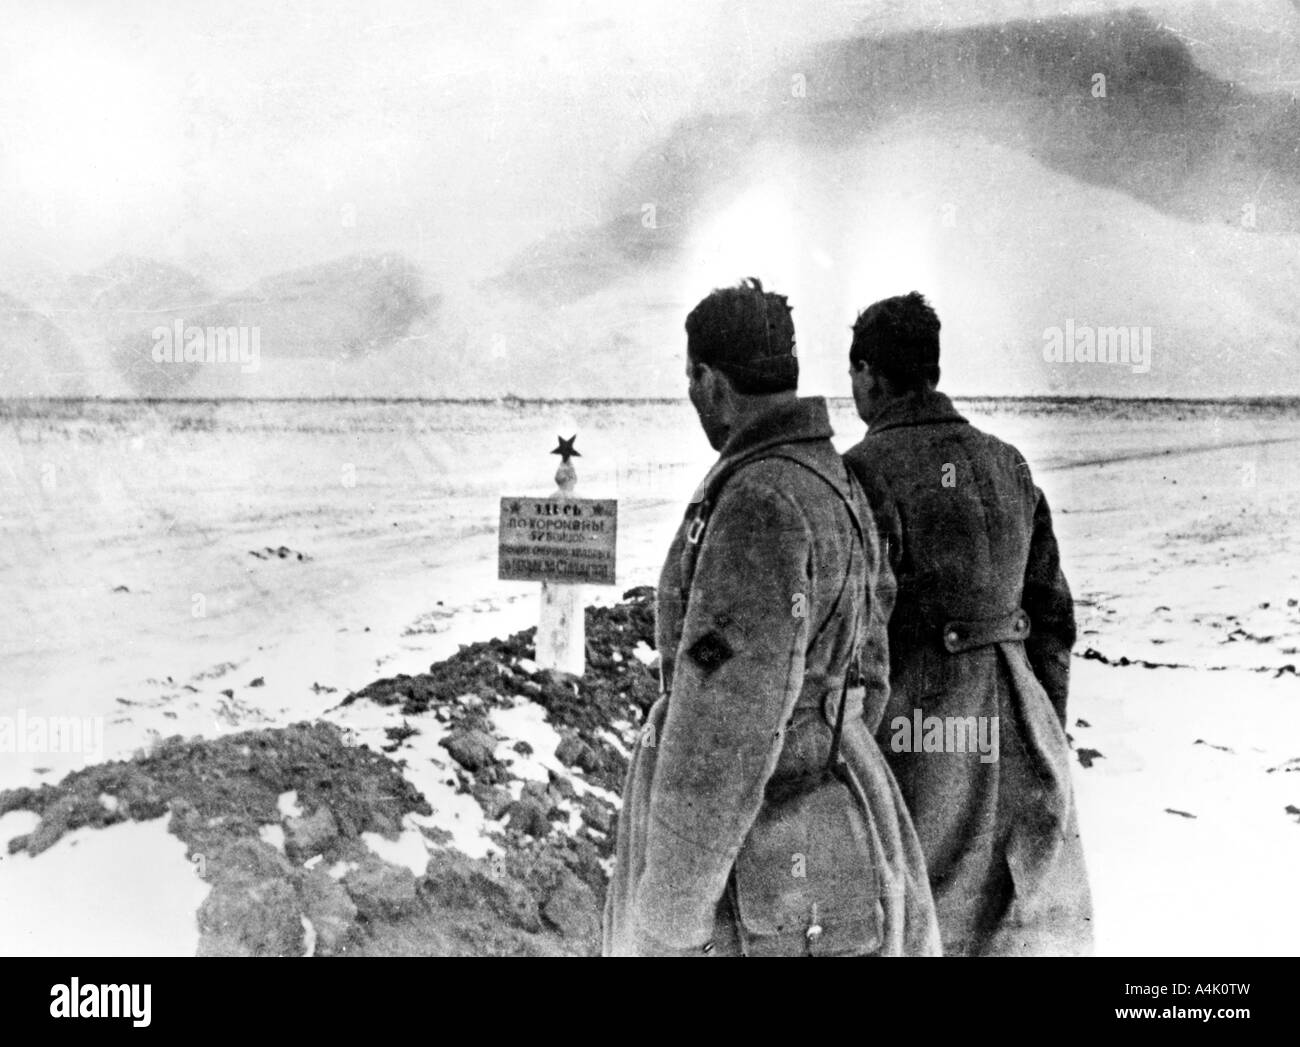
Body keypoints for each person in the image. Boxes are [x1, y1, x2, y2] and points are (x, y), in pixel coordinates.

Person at [603, 278, 940, 957]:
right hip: (843, 820)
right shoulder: (834, 479)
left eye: (691, 376)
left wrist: (670, 917)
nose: (692, 394)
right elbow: (870, 671)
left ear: (713, 382)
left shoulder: (759, 501)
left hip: (754, 856)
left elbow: (721, 728)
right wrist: (827, 748)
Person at [842, 291, 1093, 956]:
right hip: (1022, 726)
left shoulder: (863, 473)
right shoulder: (1009, 462)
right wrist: (1045, 727)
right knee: (1020, 922)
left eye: (856, 375)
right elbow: (1054, 621)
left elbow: (857, 636)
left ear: (868, 373)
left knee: (921, 917)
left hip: (920, 736)